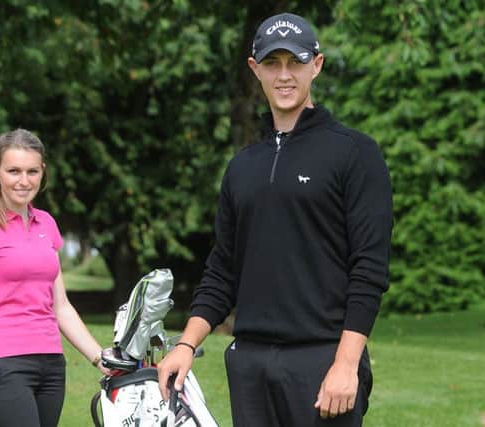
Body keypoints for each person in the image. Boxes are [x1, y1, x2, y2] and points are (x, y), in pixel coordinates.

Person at [158, 12, 393, 427]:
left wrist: (346, 364)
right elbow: (223, 269)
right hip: (249, 365)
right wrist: (186, 345)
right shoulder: (242, 167)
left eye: (295, 62)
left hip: (322, 363)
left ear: (316, 65)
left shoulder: (355, 154)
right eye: (272, 64)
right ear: (255, 69)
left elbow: (369, 270)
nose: (284, 76)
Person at [0, 129, 109, 427]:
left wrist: (101, 359)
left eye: (32, 171)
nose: (23, 181)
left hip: (51, 364)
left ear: (42, 172)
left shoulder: (47, 224)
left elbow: (60, 306)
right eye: (14, 171)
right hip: (5, 365)